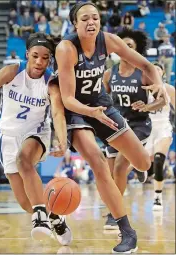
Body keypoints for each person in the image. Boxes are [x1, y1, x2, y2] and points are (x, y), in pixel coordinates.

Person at [52, 2, 167, 253]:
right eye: (85, 19)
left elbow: (147, 66)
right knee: (98, 162)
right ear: (75, 23)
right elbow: (68, 98)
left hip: (102, 106)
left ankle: (141, 167)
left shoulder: (110, 40)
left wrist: (158, 83)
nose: (91, 22)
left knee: (143, 163)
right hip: (77, 112)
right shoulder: (66, 49)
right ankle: (127, 232)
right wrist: (91, 113)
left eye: (95, 17)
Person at [0, 32, 72, 245]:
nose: (39, 61)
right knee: (26, 202)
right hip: (7, 137)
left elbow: (57, 113)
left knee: (24, 160)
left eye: (45, 58)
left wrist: (62, 140)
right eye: (35, 55)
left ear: (50, 60)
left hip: (36, 133)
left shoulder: (51, 83)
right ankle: (54, 216)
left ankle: (41, 218)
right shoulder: (11, 72)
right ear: (27, 54)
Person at [102, 28, 165, 230]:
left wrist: (148, 106)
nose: (125, 49)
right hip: (116, 125)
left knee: (120, 166)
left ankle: (115, 215)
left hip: (138, 125)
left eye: (130, 46)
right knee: (113, 174)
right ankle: (140, 168)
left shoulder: (144, 74)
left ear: (136, 51)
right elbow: (104, 99)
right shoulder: (109, 75)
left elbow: (163, 101)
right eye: (123, 45)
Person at [132, 62, 175, 211]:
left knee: (158, 160)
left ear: (162, 73)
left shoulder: (169, 89)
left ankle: (157, 196)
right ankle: (142, 169)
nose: (155, 71)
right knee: (142, 162)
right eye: (153, 69)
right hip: (147, 128)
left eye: (158, 70)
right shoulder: (142, 89)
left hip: (163, 127)